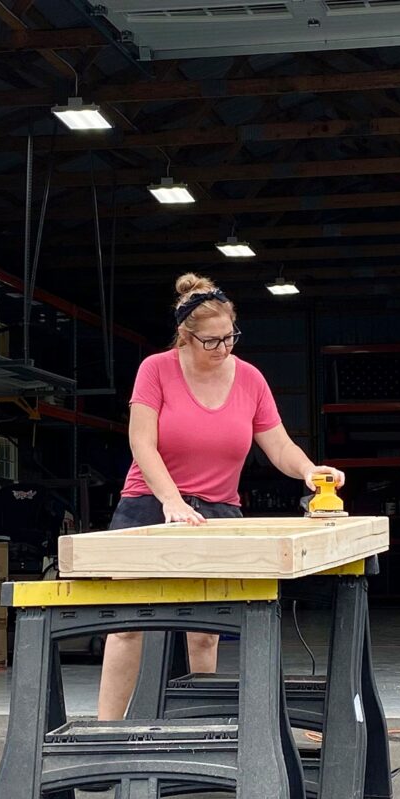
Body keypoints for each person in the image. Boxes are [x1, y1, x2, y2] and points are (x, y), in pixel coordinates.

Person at [97, 272, 344, 720]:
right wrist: (171, 501)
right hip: (150, 503)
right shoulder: (155, 369)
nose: (224, 348)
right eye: (211, 342)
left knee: (205, 631)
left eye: (230, 337)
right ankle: (105, 731)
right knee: (128, 625)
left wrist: (310, 470)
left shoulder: (250, 379)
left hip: (217, 511)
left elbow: (279, 445)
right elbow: (141, 443)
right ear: (185, 338)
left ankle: (198, 730)